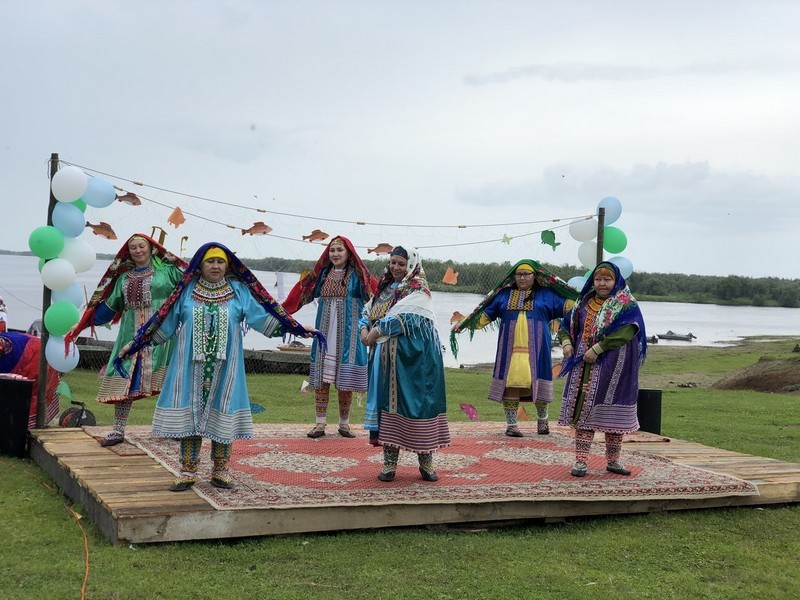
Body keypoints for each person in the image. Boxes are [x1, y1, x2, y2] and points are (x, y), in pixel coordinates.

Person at [117, 243, 322, 492]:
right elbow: (164, 323)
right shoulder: (186, 292)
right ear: (200, 265)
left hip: (227, 368)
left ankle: (221, 471)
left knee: (221, 414)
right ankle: (187, 471)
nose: (216, 266)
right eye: (210, 262)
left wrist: (297, 328)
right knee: (190, 417)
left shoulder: (238, 291)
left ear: (228, 265)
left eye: (221, 262)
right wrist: (134, 344)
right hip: (188, 366)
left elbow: (263, 318)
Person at [66, 234, 186, 446]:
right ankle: (118, 430)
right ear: (128, 252)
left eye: (141, 246)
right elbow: (108, 308)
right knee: (124, 382)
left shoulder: (168, 272)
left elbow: (189, 290)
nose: (138, 250)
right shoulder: (124, 279)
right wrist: (82, 324)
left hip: (162, 337)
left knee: (170, 383)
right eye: (133, 248)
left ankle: (172, 428)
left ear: (151, 249)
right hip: (130, 337)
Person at [451, 259, 577, 437]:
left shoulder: (546, 295)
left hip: (538, 349)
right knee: (510, 383)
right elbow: (485, 315)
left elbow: (573, 307)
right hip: (509, 350)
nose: (522, 278)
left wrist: (586, 303)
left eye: (526, 274)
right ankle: (511, 425)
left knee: (538, 382)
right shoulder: (504, 295)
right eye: (519, 274)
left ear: (535, 276)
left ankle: (543, 421)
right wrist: (465, 325)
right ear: (514, 276)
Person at [361, 245, 450, 482]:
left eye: (401, 264)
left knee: (420, 404)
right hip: (386, 360)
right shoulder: (385, 288)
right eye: (393, 262)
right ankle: (390, 463)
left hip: (417, 360)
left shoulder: (418, 289)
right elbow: (368, 310)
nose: (396, 267)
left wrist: (377, 330)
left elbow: (407, 318)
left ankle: (426, 462)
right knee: (388, 405)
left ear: (411, 265)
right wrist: (363, 328)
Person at [557, 261, 647, 477]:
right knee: (583, 413)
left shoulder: (626, 305)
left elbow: (627, 331)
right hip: (583, 368)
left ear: (616, 281)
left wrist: (597, 349)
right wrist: (566, 343)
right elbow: (565, 326)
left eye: (607, 279)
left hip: (615, 368)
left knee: (612, 413)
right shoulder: (583, 303)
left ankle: (613, 461)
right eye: (598, 279)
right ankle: (580, 461)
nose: (602, 283)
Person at [283, 236, 377, 439]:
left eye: (339, 250)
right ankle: (320, 424)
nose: (335, 254)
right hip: (325, 333)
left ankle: (344, 424)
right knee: (322, 380)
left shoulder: (359, 276)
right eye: (332, 250)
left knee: (345, 381)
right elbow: (301, 292)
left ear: (348, 253)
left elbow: (378, 296)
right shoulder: (322, 275)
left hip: (349, 335)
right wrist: (281, 312)